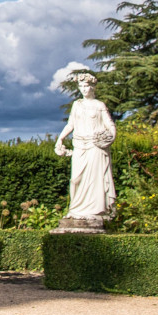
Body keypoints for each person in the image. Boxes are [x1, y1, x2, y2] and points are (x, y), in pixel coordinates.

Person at [54, 72, 116, 227]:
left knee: (95, 180)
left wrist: (111, 136)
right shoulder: (77, 105)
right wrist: (60, 138)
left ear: (92, 87)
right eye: (81, 86)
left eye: (86, 86)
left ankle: (94, 211)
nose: (84, 89)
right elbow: (71, 125)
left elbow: (109, 124)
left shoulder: (99, 105)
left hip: (94, 146)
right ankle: (75, 209)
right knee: (75, 179)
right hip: (79, 145)